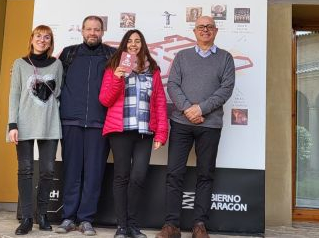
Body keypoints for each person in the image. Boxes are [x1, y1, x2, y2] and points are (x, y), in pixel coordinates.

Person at [157, 16, 235, 238]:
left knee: (205, 174)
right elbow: (172, 84)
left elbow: (226, 89)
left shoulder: (225, 58)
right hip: (181, 123)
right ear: (194, 31)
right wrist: (187, 109)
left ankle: (199, 225)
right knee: (174, 173)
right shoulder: (182, 56)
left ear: (216, 31)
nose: (205, 30)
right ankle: (171, 225)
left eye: (210, 27)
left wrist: (200, 109)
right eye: (201, 27)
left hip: (210, 125)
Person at [99, 30, 169, 238]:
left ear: (143, 45)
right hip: (120, 131)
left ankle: (133, 224)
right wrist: (118, 78)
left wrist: (161, 133)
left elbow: (159, 102)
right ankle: (121, 226)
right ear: (124, 45)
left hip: (144, 132)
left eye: (138, 41)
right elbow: (105, 100)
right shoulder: (114, 67)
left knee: (138, 177)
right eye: (130, 41)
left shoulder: (153, 69)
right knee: (121, 176)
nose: (133, 44)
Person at [56, 16, 116, 236]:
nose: (93, 33)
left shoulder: (112, 55)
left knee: (94, 173)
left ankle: (86, 219)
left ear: (102, 31)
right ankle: (68, 217)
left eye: (97, 29)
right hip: (71, 120)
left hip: (100, 123)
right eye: (89, 29)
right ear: (82, 30)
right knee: (71, 171)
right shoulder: (69, 53)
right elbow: (54, 82)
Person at [7, 25, 63, 235]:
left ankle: (43, 214)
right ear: (31, 39)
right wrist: (12, 124)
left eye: (47, 37)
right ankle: (27, 217)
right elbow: (14, 95)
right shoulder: (19, 64)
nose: (42, 40)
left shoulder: (57, 65)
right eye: (38, 36)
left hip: (49, 123)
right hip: (24, 123)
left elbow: (57, 91)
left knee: (48, 171)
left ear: (50, 42)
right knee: (26, 170)